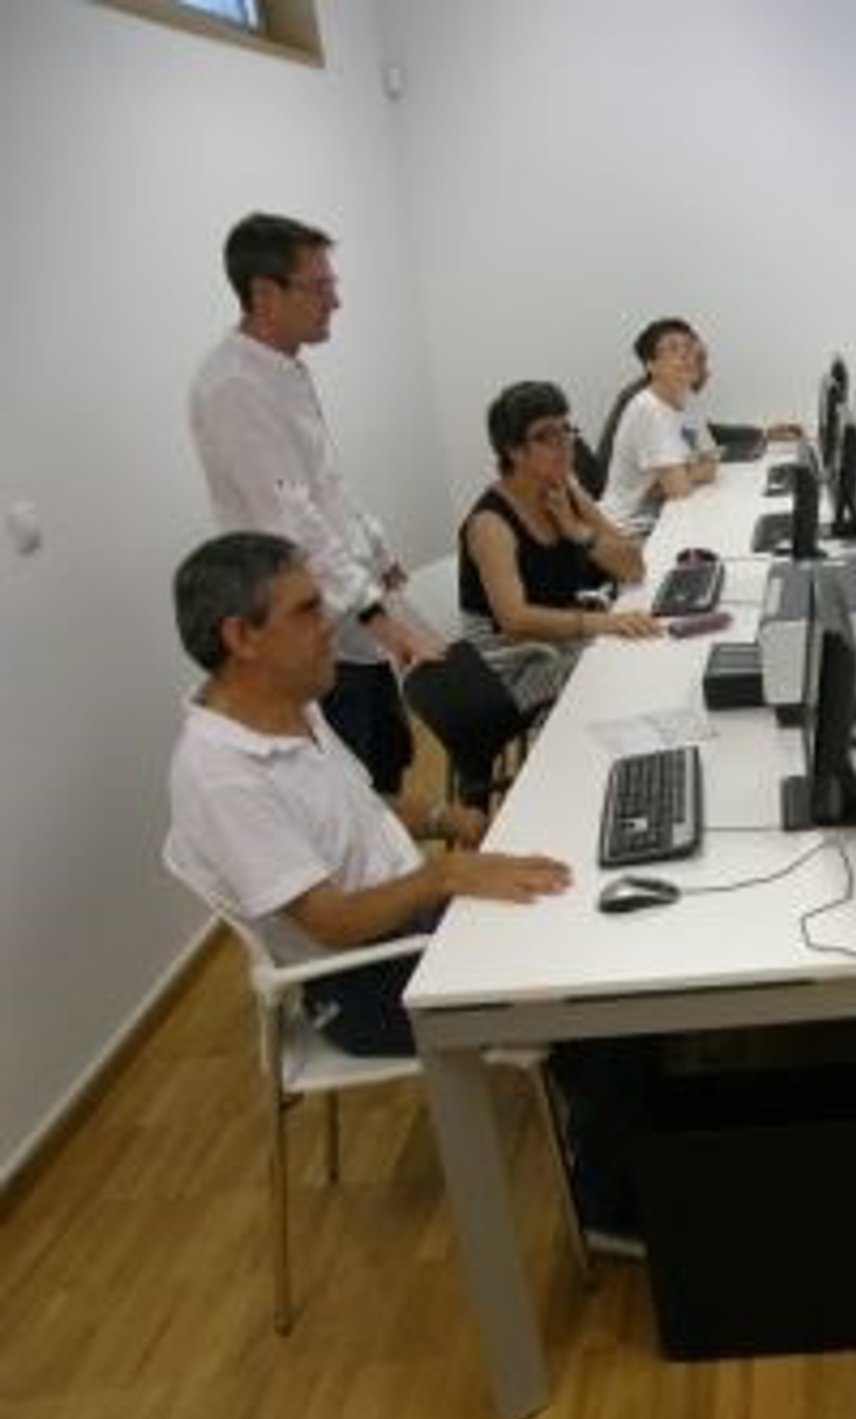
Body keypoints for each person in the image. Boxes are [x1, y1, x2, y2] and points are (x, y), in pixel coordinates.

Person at [164, 532, 571, 1056]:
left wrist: (450, 820)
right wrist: (446, 875)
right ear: (241, 636)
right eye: (307, 610)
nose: (329, 622)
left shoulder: (291, 704)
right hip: (365, 983)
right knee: (574, 974)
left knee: (572, 905)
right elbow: (333, 922)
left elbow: (359, 809)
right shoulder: (221, 776)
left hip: (413, 920)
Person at [188, 212, 443, 797]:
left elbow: (326, 484)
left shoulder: (283, 369)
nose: (336, 301)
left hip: (346, 605)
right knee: (352, 784)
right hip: (308, 623)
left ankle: (401, 852)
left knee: (386, 763)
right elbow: (292, 521)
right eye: (320, 286)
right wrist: (378, 616)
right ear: (265, 294)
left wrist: (378, 554)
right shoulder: (234, 386)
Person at [460, 382, 658, 711]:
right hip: (518, 670)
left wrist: (578, 532)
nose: (565, 443)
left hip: (563, 642)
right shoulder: (491, 524)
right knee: (628, 669)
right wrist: (600, 624)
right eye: (547, 436)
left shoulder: (564, 489)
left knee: (648, 649)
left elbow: (633, 566)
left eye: (566, 429)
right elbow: (515, 621)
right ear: (514, 451)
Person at [600, 316, 720, 535]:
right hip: (628, 529)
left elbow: (711, 464)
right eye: (673, 349)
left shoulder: (686, 399)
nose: (685, 355)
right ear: (651, 365)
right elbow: (679, 489)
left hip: (666, 515)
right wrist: (681, 476)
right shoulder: (647, 407)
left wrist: (678, 476)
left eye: (689, 347)